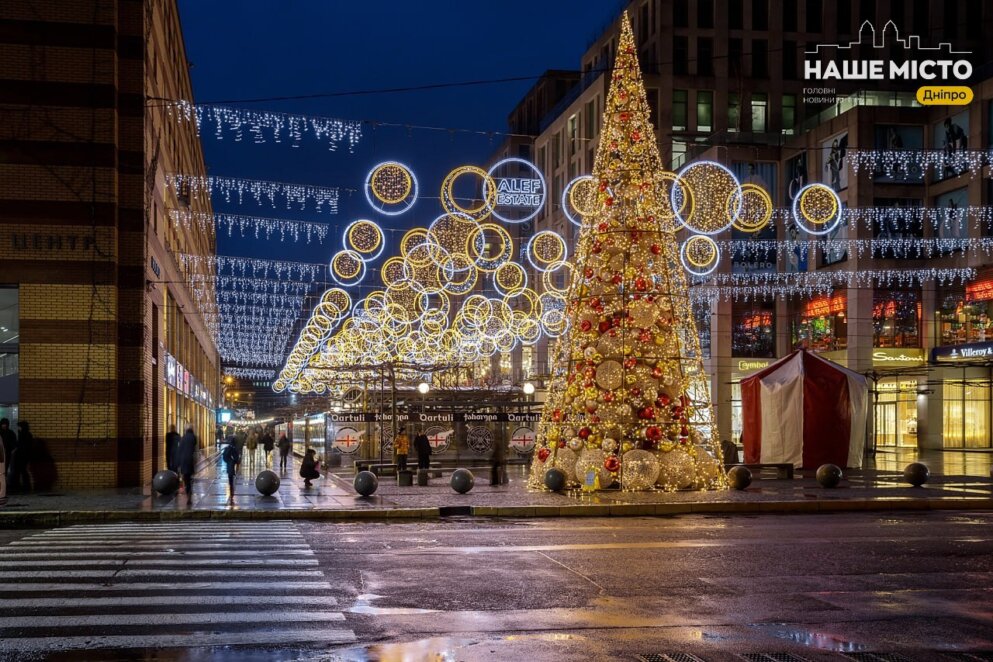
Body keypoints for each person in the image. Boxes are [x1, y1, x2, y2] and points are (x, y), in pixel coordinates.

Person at [175, 426, 197, 501]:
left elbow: (179, 450)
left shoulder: (183, 438)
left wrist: (177, 463)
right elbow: (194, 448)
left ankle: (188, 492)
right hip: (190, 460)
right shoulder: (193, 437)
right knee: (189, 477)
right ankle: (189, 492)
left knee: (186, 477)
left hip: (184, 461)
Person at [11, 421, 34, 492]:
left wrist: (16, 449)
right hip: (24, 456)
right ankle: (25, 487)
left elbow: (21, 445)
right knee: (23, 471)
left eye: (19, 427)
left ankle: (18, 487)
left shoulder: (23, 435)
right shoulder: (27, 434)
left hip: (21, 456)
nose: (19, 428)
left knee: (19, 471)